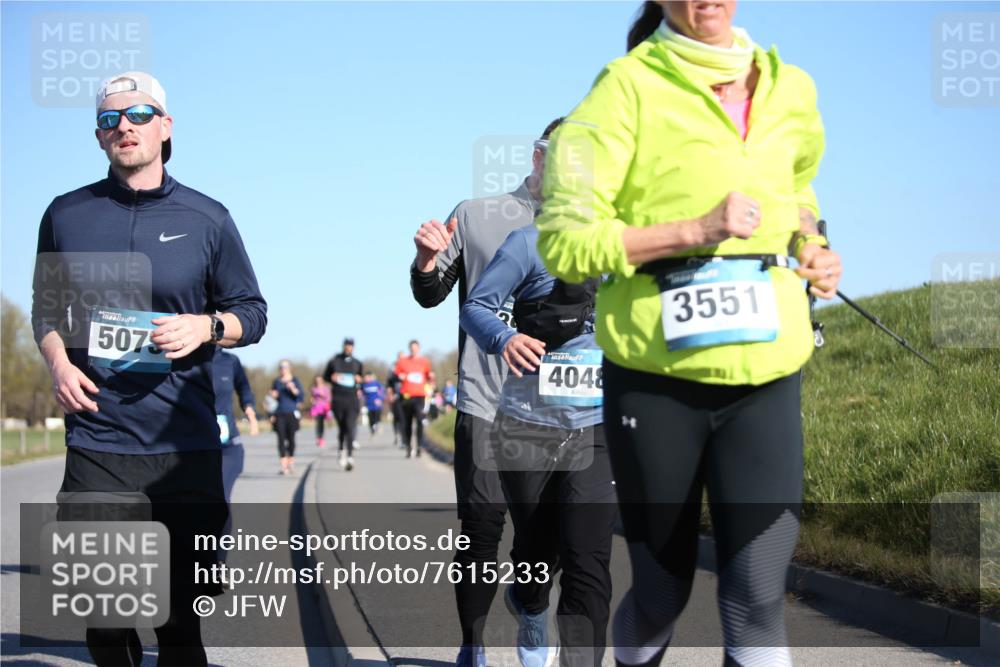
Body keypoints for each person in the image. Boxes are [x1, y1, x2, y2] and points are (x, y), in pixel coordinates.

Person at [535, 3, 843, 665]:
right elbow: (564, 243)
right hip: (656, 382)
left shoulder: (792, 88)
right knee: (661, 593)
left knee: (759, 594)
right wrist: (694, 231)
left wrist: (811, 241)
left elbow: (798, 187)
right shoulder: (621, 91)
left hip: (766, 371)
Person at [30, 71, 267, 666]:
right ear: (98, 137)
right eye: (110, 120)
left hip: (183, 442)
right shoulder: (66, 215)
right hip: (97, 437)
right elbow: (47, 309)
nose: (124, 128)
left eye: (137, 114)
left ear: (164, 126)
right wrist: (58, 363)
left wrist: (207, 327)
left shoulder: (208, 217)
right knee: (105, 623)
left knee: (179, 626)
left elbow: (253, 313)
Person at [410, 118, 562, 667]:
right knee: (480, 528)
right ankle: (472, 647)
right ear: (538, 158)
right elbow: (432, 292)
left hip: (558, 411)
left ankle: (532, 605)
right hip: (484, 395)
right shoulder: (477, 214)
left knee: (541, 539)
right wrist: (427, 260)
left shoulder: (598, 230)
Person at [461, 220, 617, 667]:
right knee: (536, 554)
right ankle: (530, 605)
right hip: (527, 426)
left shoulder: (627, 241)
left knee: (587, 560)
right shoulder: (529, 243)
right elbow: (476, 307)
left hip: (597, 426)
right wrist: (505, 337)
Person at [212, 348, 259, 562]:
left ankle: (219, 562)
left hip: (227, 446)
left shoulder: (229, 361)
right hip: (191, 445)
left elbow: (243, 387)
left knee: (220, 499)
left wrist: (249, 409)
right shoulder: (183, 357)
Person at [323, 337, 364, 471]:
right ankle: (341, 450)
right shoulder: (334, 361)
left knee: (350, 426)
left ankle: (350, 455)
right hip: (338, 399)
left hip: (352, 399)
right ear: (343, 346)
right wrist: (331, 378)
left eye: (351, 346)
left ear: (353, 348)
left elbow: (362, 380)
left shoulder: (358, 363)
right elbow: (325, 377)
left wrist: (360, 380)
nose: (348, 348)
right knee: (342, 427)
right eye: (346, 345)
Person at [392, 339, 434, 458]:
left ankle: (419, 446)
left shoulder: (424, 361)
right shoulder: (402, 361)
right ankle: (409, 446)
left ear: (419, 349)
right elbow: (394, 377)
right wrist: (399, 376)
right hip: (406, 396)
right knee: (407, 423)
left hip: (419, 396)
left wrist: (431, 377)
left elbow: (428, 376)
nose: (413, 350)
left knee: (420, 420)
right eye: (411, 348)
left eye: (415, 348)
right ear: (409, 349)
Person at [270, 360, 303, 475]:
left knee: (291, 439)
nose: (283, 368)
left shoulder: (295, 380)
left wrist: (293, 389)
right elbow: (271, 400)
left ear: (290, 368)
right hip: (279, 413)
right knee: (280, 439)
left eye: (285, 366)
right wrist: (273, 396)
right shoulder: (277, 382)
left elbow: (300, 397)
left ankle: (291, 461)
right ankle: (283, 466)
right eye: (281, 367)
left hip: (292, 413)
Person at [386, 356, 405, 446]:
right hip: (395, 399)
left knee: (403, 418)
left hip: (405, 398)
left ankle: (403, 437)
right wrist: (390, 396)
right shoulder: (393, 375)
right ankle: (397, 435)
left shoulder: (406, 372)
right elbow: (389, 387)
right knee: (396, 418)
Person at [310, 375, 332, 448]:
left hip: (324, 407)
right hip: (316, 407)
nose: (318, 381)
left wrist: (323, 395)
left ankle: (321, 438)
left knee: (321, 423)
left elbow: (329, 398)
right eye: (317, 380)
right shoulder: (314, 388)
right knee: (318, 423)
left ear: (322, 380)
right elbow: (312, 397)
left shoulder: (326, 388)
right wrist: (312, 400)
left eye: (319, 380)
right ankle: (318, 437)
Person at [361, 372, 385, 436]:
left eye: (367, 377)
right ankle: (372, 430)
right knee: (370, 418)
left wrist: (380, 399)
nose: (366, 379)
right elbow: (362, 394)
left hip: (377, 404)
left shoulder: (377, 384)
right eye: (365, 378)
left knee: (377, 416)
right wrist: (363, 398)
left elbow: (382, 392)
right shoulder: (364, 385)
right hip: (369, 404)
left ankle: (377, 426)